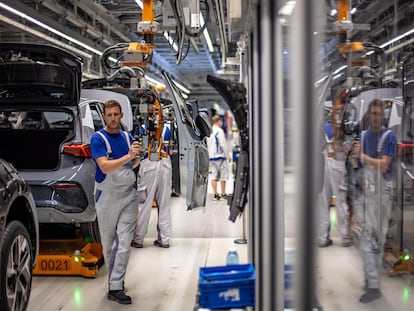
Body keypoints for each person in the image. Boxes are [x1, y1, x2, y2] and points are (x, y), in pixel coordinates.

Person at [90, 99, 142, 305]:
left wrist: (137, 156)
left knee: (124, 244)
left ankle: (116, 285)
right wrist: (128, 156)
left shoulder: (128, 137)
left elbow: (134, 164)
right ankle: (115, 281)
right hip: (107, 197)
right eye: (109, 114)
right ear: (104, 116)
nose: (112, 118)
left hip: (129, 196)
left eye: (116, 114)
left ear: (121, 116)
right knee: (109, 245)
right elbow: (104, 166)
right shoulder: (98, 139)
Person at [351, 99, 397, 303]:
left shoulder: (389, 137)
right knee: (368, 240)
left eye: (379, 113)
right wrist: (354, 156)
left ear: (383, 116)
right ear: (368, 115)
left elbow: (384, 166)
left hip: (382, 195)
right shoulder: (362, 136)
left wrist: (363, 155)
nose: (376, 116)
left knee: (374, 241)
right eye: (373, 113)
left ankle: (373, 283)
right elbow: (357, 165)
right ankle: (372, 280)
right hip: (365, 194)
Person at [318, 97, 353, 248]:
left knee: (324, 203)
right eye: (336, 110)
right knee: (340, 202)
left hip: (325, 164)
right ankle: (344, 236)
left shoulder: (325, 126)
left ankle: (322, 237)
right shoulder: (345, 128)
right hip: (335, 164)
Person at [131, 123, 173, 249]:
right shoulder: (168, 128)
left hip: (148, 163)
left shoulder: (142, 128)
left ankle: (138, 239)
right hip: (165, 163)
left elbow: (138, 150)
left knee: (144, 203)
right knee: (164, 203)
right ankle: (165, 239)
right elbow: (171, 148)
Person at [207, 115, 231, 201]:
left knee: (213, 175)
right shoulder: (219, 131)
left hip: (212, 157)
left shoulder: (209, 131)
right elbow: (223, 144)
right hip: (220, 156)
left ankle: (215, 194)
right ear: (218, 122)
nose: (221, 123)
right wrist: (227, 155)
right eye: (220, 121)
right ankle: (223, 193)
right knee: (223, 176)